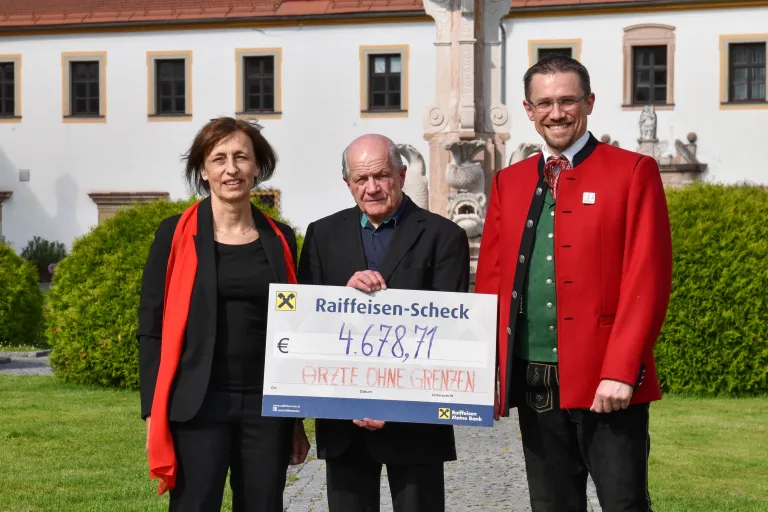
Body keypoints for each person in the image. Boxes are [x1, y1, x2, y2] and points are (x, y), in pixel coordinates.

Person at [475, 55, 673, 512]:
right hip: (534, 379)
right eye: (544, 103)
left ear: (589, 103)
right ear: (529, 110)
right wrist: (488, 367)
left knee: (624, 503)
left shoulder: (632, 171)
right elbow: (491, 283)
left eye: (567, 100)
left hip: (608, 382)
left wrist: (622, 370)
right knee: (551, 505)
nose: (556, 113)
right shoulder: (508, 181)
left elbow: (648, 277)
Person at [137, 116, 310, 511]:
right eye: (219, 159)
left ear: (257, 167)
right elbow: (151, 328)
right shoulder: (173, 235)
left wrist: (295, 418)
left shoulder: (281, 239)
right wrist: (152, 413)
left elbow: (293, 329)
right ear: (203, 170)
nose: (231, 169)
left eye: (241, 157)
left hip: (266, 408)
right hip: (197, 406)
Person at [297, 134, 469, 512]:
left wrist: (395, 402)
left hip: (417, 424)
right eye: (361, 179)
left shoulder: (445, 237)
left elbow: (448, 338)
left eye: (381, 176)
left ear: (402, 175)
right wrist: (341, 298)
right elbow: (306, 326)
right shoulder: (321, 235)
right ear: (348, 183)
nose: (371, 187)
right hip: (344, 421)